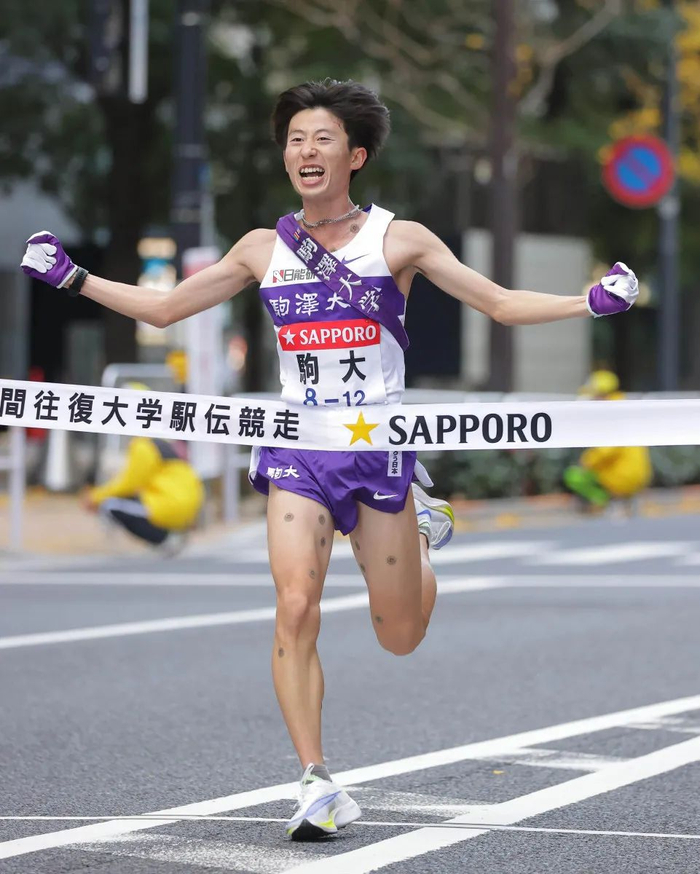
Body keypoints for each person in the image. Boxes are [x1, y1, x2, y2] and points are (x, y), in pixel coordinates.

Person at [20, 78, 639, 841]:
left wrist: (590, 302)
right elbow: (165, 307)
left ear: (356, 156)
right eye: (294, 140)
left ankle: (419, 531)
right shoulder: (261, 248)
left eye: (321, 140)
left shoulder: (400, 240)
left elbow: (500, 303)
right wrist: (73, 278)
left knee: (399, 633)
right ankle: (315, 780)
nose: (305, 152)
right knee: (294, 604)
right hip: (297, 450)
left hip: (375, 452)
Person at [84, 388, 205, 554]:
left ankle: (164, 538)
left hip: (170, 505)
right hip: (187, 504)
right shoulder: (163, 438)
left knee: (110, 505)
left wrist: (95, 497)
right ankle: (174, 533)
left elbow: (128, 484)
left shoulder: (143, 444)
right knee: (129, 502)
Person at [564, 370, 652, 511]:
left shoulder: (613, 410)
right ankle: (616, 502)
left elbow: (608, 448)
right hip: (638, 474)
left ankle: (602, 501)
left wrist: (586, 461)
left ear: (602, 394)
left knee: (573, 476)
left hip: (621, 475)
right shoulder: (624, 406)